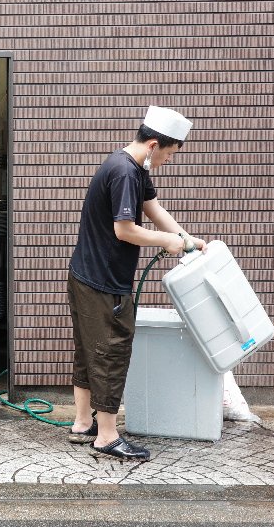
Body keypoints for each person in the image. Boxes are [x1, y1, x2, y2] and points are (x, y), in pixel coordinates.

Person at [66, 106, 206, 461]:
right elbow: (124, 230)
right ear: (154, 144)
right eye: (169, 155)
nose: (167, 162)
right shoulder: (125, 172)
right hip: (103, 281)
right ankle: (107, 436)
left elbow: (155, 211)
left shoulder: (132, 167)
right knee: (111, 351)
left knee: (88, 351)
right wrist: (166, 241)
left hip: (86, 274)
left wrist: (188, 239)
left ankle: (84, 423)